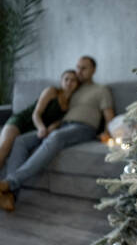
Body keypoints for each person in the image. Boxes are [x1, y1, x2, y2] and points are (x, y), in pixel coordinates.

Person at [0, 56, 115, 211]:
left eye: (84, 68)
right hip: (62, 127)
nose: (79, 71)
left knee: (55, 137)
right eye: (78, 67)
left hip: (84, 128)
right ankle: (10, 195)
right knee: (20, 141)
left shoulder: (101, 90)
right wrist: (52, 125)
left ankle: (10, 182)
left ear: (93, 70)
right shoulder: (72, 89)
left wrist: (107, 133)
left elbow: (110, 117)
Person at [0, 69, 80, 169]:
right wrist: (41, 128)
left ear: (77, 84)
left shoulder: (73, 103)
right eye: (66, 79)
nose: (69, 83)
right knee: (4, 147)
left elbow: (60, 122)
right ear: (61, 81)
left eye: (73, 80)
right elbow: (36, 113)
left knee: (19, 144)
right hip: (23, 120)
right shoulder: (51, 91)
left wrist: (52, 127)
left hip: (37, 131)